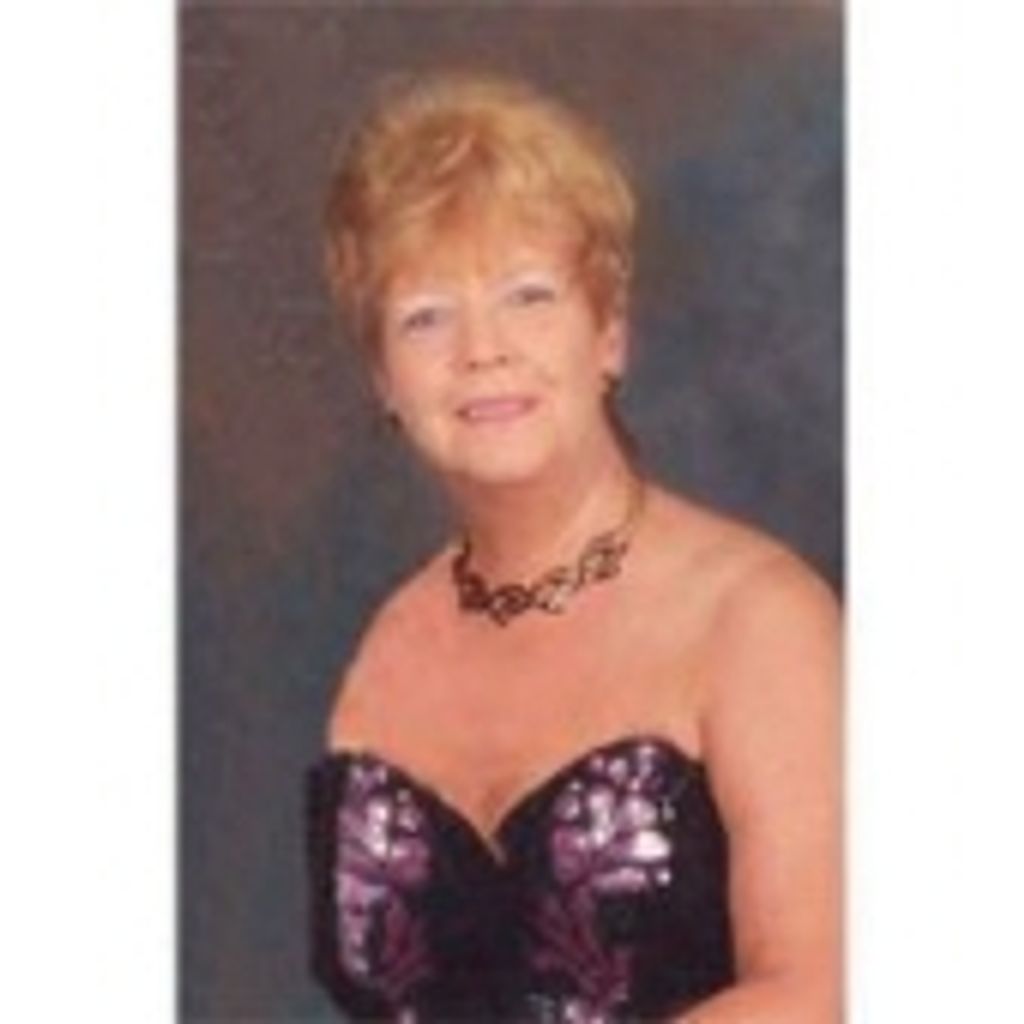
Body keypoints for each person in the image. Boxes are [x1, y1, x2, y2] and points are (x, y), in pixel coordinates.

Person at [307, 71, 840, 1023]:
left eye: (528, 296)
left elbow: (826, 989)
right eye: (426, 316)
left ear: (610, 337)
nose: (483, 349)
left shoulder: (759, 619)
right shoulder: (384, 648)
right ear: (384, 379)